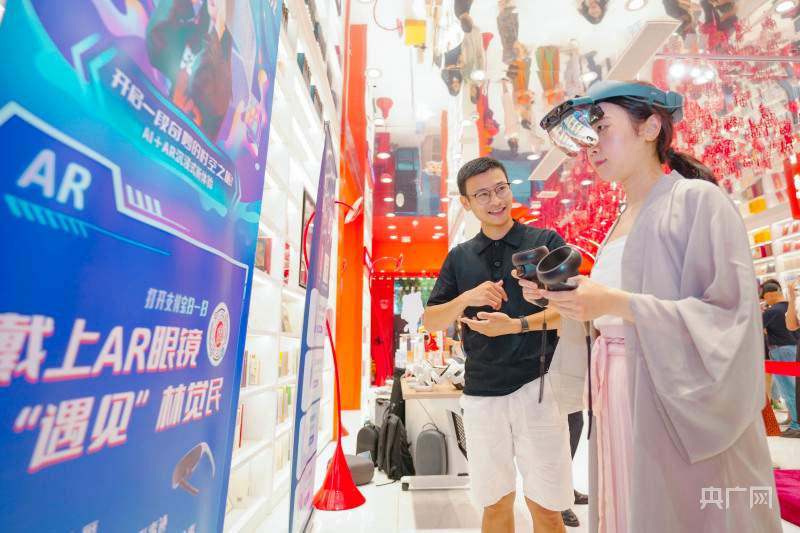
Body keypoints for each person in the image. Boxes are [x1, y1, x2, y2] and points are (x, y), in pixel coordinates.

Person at [520, 80, 782, 532]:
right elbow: (613, 309)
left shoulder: (697, 200)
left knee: (679, 509)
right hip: (618, 389)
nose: (592, 146)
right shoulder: (621, 219)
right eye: (587, 137)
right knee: (631, 503)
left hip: (674, 395)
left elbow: (729, 316)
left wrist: (614, 302)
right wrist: (565, 298)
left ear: (650, 127)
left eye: (602, 128)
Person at [423, 157, 572, 533]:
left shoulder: (544, 242)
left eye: (501, 188)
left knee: (547, 508)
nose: (496, 200)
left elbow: (571, 312)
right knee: (494, 505)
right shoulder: (459, 257)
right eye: (483, 194)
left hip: (539, 387)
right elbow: (432, 320)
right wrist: (465, 298)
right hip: (481, 395)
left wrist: (515, 326)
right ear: (466, 202)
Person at [146, 0, 234, 140]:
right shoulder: (191, 36)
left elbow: (204, 84)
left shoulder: (221, 82)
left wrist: (218, 31)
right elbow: (156, 39)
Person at [765, 279, 800, 436]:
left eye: (765, 297)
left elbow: (757, 328)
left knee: (787, 388)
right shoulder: (791, 305)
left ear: (770, 295)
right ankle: (792, 417)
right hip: (794, 348)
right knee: (794, 386)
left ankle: (796, 424)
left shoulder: (770, 312)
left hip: (779, 351)